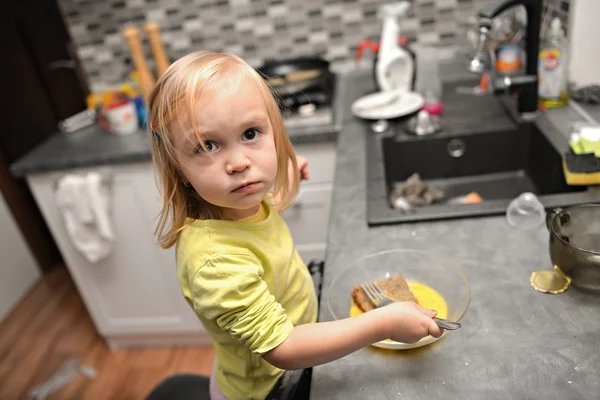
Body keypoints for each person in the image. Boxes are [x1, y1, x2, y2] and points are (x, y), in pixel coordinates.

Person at [146, 50, 444, 400]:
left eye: (250, 133)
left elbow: (264, 215)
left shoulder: (238, 203)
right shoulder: (215, 263)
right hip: (267, 389)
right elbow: (283, 348)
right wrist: (384, 323)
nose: (240, 163)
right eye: (208, 145)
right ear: (178, 168)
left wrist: (287, 174)